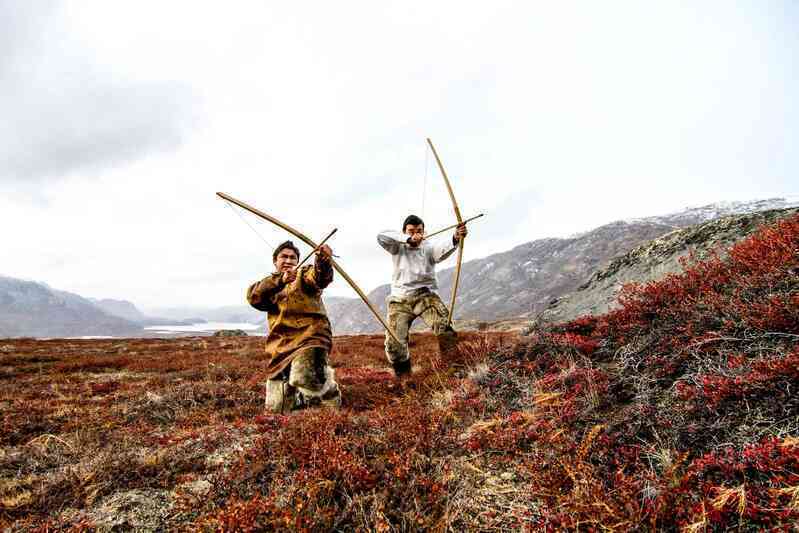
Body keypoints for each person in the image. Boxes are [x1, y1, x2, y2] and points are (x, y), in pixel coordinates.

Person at [247, 240, 341, 412]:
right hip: (280, 345)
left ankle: (331, 397)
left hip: (311, 336)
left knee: (306, 376)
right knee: (276, 408)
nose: (289, 261)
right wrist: (280, 281)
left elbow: (320, 278)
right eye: (284, 256)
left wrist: (323, 261)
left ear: (298, 262)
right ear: (275, 261)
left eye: (293, 258)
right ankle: (302, 400)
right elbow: (254, 297)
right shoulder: (269, 284)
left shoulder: (305, 275)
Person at [377, 214, 468, 377]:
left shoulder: (429, 247)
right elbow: (382, 236)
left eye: (419, 231)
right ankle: (404, 376)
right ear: (404, 231)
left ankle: (456, 370)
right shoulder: (397, 246)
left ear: (424, 232)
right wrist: (407, 239)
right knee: (394, 344)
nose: (416, 234)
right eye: (411, 231)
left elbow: (442, 249)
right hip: (399, 300)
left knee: (444, 327)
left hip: (425, 296)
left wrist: (455, 237)